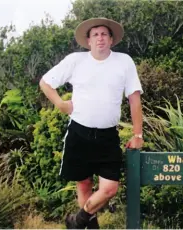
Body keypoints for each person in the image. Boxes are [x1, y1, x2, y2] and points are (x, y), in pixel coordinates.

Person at [39, 17, 144, 229]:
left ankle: (77, 221)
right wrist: (60, 104)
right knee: (84, 184)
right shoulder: (76, 60)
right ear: (88, 41)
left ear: (112, 39)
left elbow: (134, 98)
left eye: (104, 34)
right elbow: (45, 82)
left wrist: (138, 134)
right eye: (95, 34)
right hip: (79, 133)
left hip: (108, 136)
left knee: (109, 189)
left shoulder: (124, 62)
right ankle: (89, 226)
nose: (100, 38)